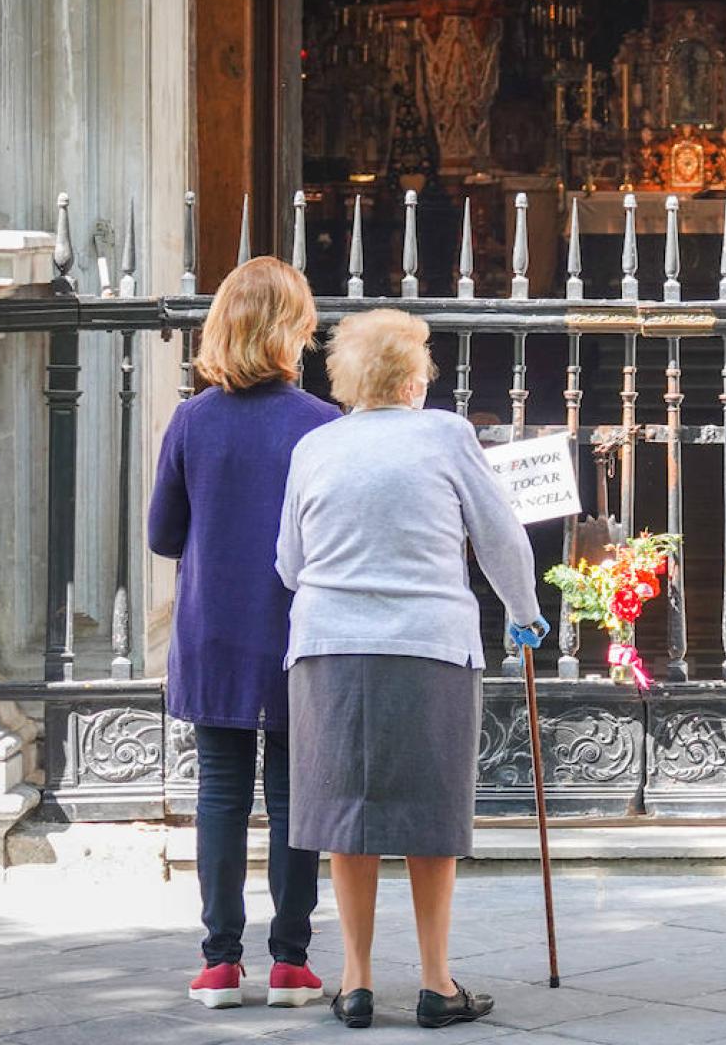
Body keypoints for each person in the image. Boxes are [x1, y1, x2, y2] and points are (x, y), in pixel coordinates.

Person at [278, 308, 548, 1030]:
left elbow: (290, 564)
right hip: (428, 644)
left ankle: (357, 981)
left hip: (329, 647)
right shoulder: (446, 435)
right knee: (431, 818)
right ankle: (435, 983)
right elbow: (501, 536)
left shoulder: (315, 446)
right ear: (412, 377)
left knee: (347, 817)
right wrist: (523, 611)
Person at [147, 256, 339, 1010]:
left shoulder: (194, 420)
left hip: (215, 628)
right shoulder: (322, 424)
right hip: (295, 626)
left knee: (220, 792)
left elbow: (165, 533)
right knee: (295, 794)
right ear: (295, 331)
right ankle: (292, 960)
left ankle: (219, 962)